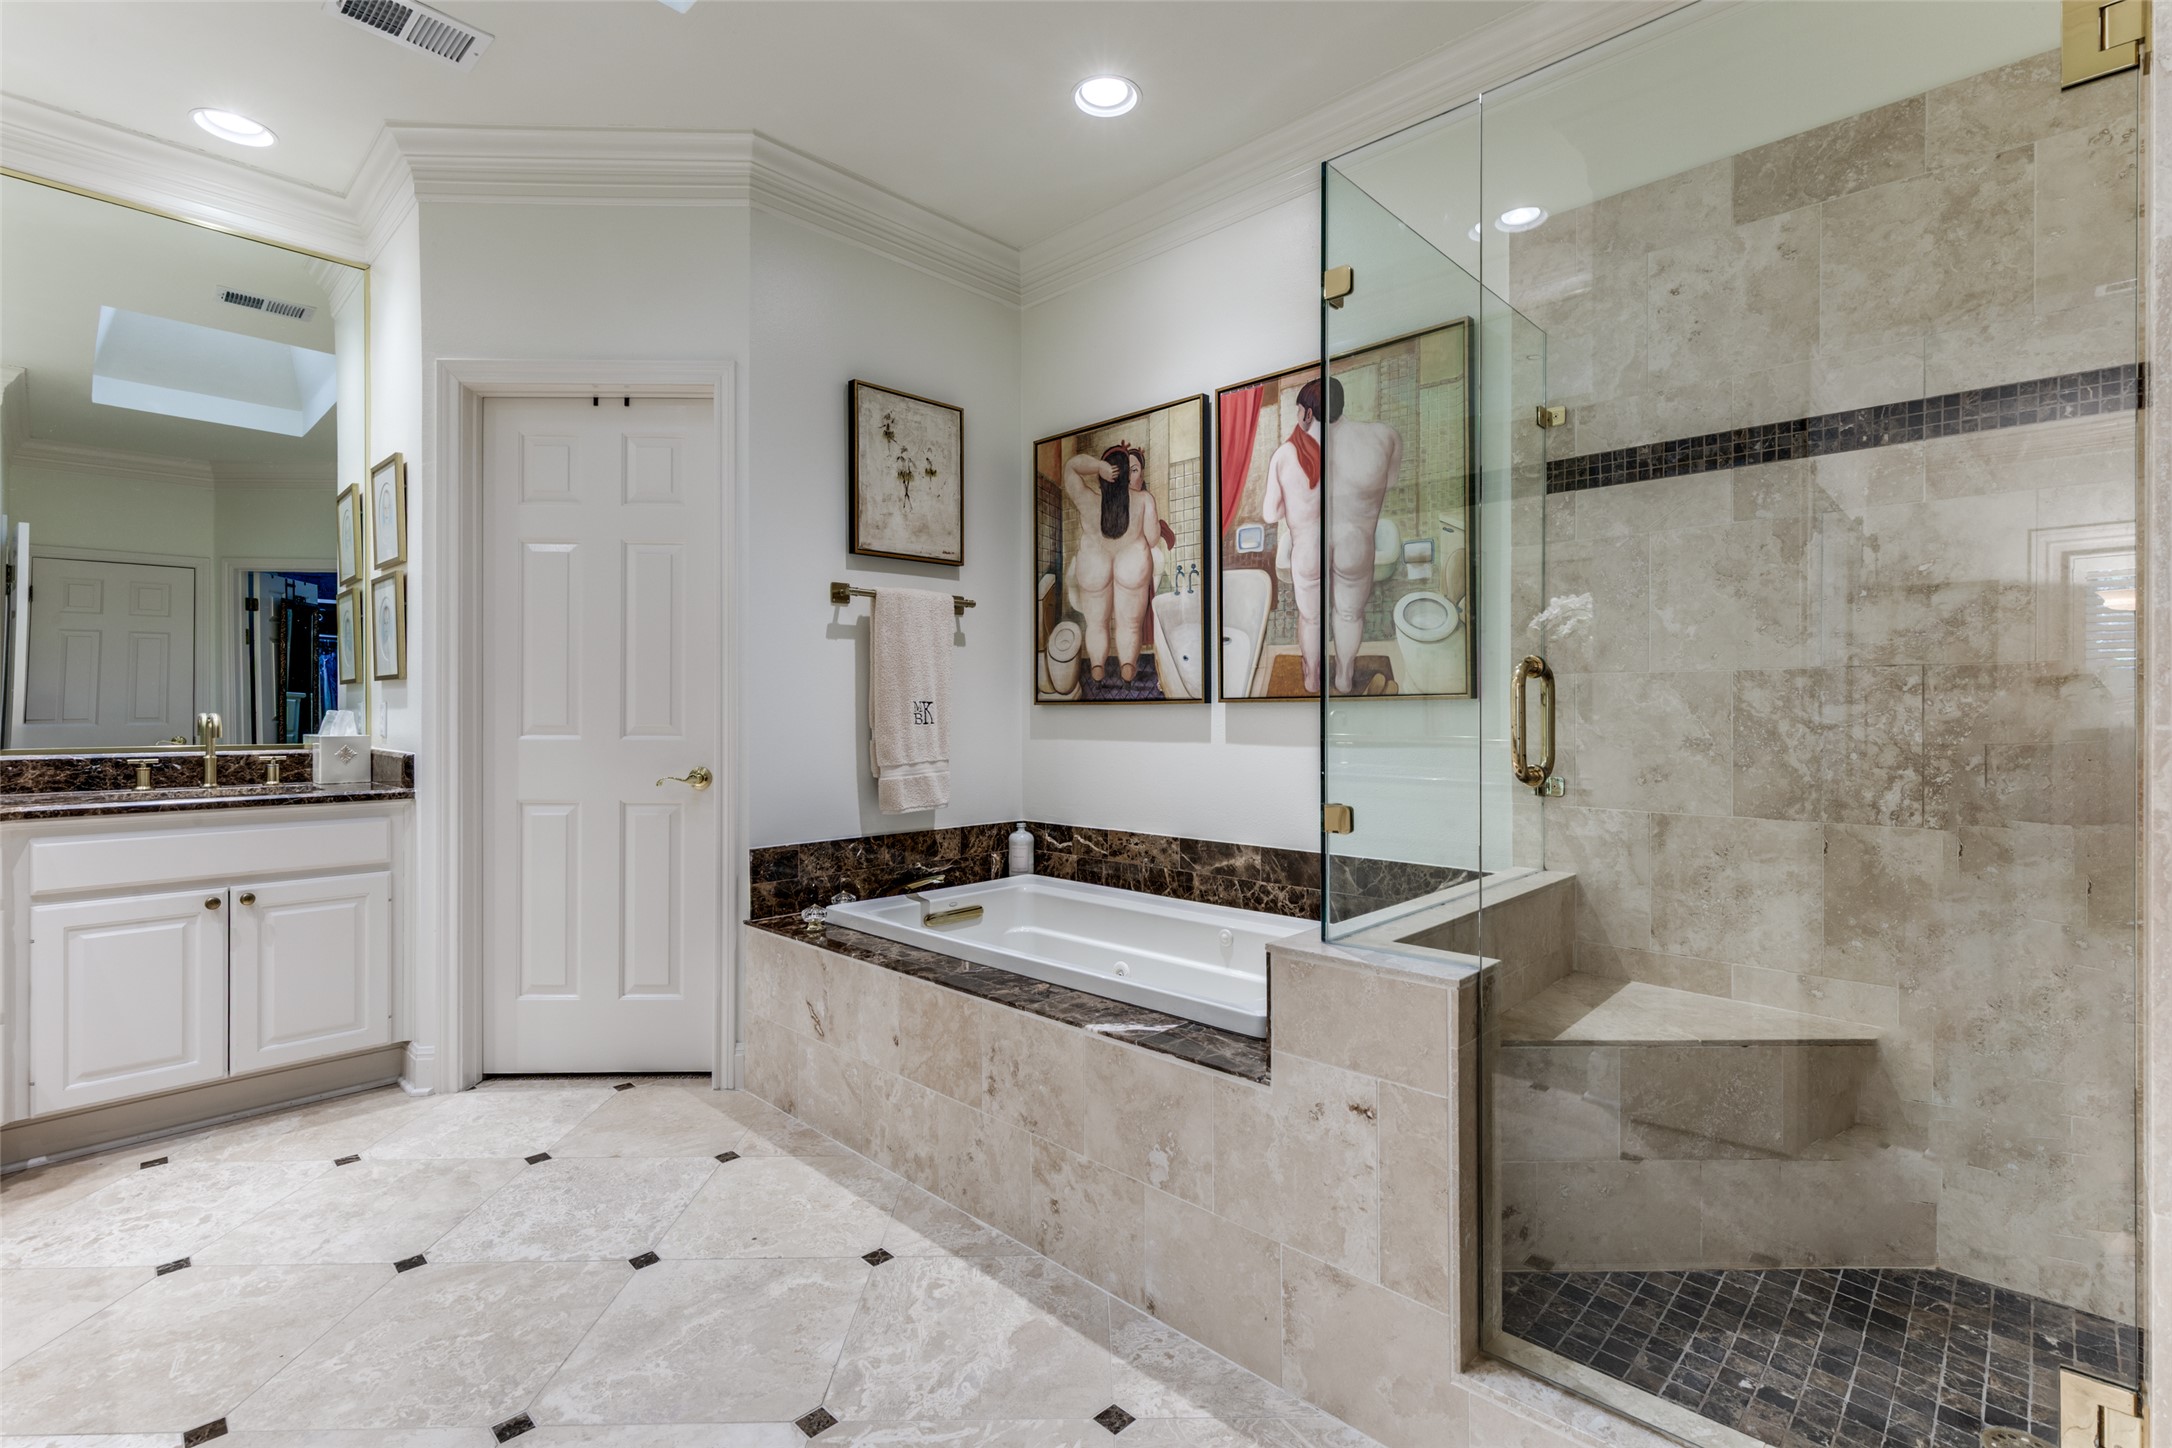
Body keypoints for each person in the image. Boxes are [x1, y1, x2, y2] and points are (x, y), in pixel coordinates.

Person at [1260, 375, 1402, 693]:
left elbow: (1270, 513)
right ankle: (1344, 676)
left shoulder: (1284, 456)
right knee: (1350, 613)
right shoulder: (1384, 438)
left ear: (1307, 413)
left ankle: (1312, 680)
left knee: (1311, 619)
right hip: (1356, 545)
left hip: (1309, 549)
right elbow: (1389, 483)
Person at [1062, 443, 1173, 685]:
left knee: (1096, 623)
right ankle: (1127, 670)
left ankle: (1098, 669)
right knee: (1130, 625)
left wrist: (1096, 466)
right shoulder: (1144, 500)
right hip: (1132, 563)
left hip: (1094, 565)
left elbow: (1070, 468)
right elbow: (1153, 538)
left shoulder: (1087, 500)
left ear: (1105, 473)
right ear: (1127, 474)